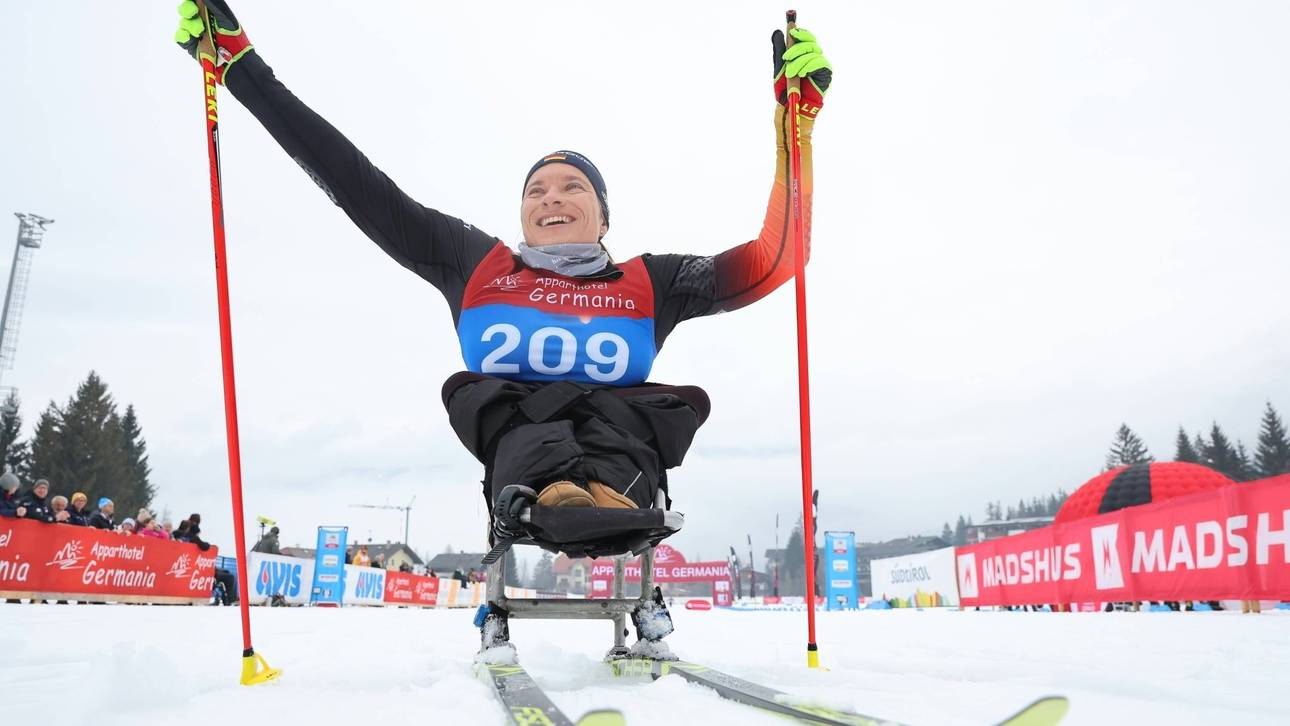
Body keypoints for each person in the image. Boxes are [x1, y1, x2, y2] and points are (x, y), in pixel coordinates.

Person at [173, 4, 830, 518]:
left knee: (625, 425)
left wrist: (795, 126)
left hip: (621, 445)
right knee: (502, 408)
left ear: (604, 216)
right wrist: (242, 70)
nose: (552, 199)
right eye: (535, 192)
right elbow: (355, 182)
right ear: (521, 217)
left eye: (573, 187)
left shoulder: (650, 281)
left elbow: (776, 259)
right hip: (521, 448)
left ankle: (613, 503)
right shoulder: (476, 264)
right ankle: (557, 504)